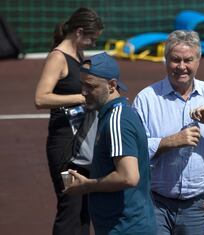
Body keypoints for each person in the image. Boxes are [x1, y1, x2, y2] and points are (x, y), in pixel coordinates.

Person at [132, 30, 204, 235]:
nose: (181, 67)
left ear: (198, 61)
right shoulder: (146, 99)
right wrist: (169, 141)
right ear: (165, 61)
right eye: (175, 60)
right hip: (155, 201)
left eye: (188, 60)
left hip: (197, 204)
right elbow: (133, 150)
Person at [64, 52, 157, 235]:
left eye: (90, 86)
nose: (83, 92)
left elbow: (128, 177)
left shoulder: (117, 120)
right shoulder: (112, 115)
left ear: (112, 85)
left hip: (125, 228)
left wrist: (88, 185)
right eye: (82, 84)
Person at [34, 7, 103, 235]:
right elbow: (40, 98)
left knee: (85, 208)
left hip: (80, 144)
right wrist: (83, 97)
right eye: (92, 38)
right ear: (79, 32)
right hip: (63, 147)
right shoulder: (57, 58)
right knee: (70, 207)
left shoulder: (78, 55)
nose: (93, 43)